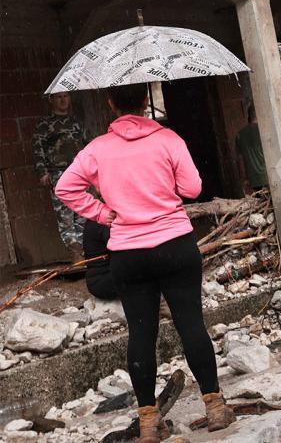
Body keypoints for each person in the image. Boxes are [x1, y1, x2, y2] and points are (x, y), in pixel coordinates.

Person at [55, 83, 234, 442]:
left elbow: (65, 188)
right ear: (145, 100)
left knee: (141, 334)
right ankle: (214, 407)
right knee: (191, 325)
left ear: (110, 103)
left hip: (129, 254)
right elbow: (193, 189)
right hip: (176, 245)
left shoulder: (96, 150)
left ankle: (149, 421)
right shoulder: (168, 139)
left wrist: (103, 214)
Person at [32, 91, 88, 258]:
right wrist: (42, 172)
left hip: (79, 173)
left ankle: (86, 252)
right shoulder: (44, 124)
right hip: (58, 175)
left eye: (66, 96)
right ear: (51, 100)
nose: (63, 100)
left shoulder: (76, 122)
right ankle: (76, 254)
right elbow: (37, 148)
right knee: (65, 215)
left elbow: (87, 145)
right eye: (59, 97)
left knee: (82, 213)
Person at [235, 105, 268, 194]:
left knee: (262, 207)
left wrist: (245, 180)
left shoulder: (239, 135)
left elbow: (240, 160)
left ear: (249, 116)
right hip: (269, 179)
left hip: (253, 182)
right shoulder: (265, 130)